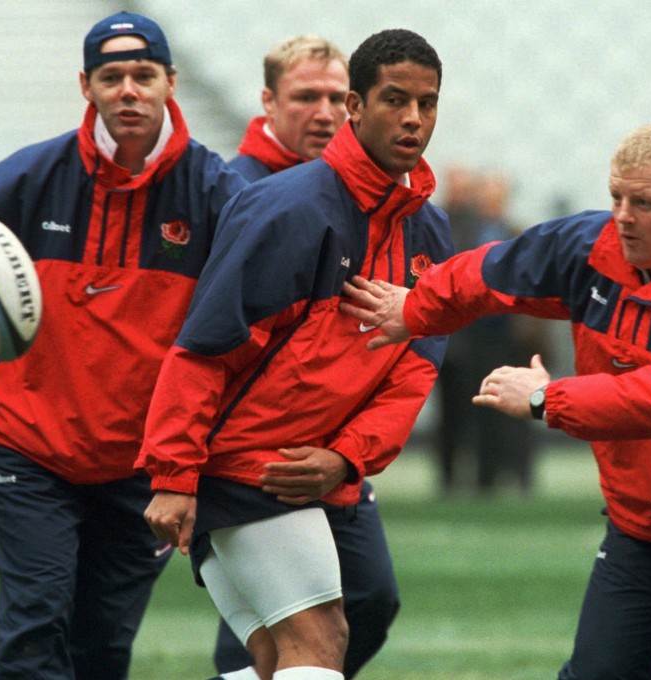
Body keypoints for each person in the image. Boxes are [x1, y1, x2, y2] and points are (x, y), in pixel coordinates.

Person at [341, 123, 651, 679]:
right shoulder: (594, 246)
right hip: (645, 529)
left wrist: (543, 398)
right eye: (616, 197)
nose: (623, 216)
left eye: (644, 202)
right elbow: (495, 271)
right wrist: (417, 308)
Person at [0, 12, 245, 679]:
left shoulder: (217, 195)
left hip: (139, 462)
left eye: (143, 75)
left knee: (102, 644)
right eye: (112, 76)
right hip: (26, 445)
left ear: (170, 83)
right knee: (34, 627)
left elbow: (258, 317)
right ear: (86, 85)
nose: (129, 90)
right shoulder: (26, 178)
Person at [137, 28, 450, 680]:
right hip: (252, 467)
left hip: (321, 470)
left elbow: (414, 369)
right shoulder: (290, 208)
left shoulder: (428, 227)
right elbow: (203, 350)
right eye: (396, 99)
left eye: (428, 102)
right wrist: (174, 474)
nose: (414, 118)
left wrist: (346, 457)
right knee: (322, 639)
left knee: (279, 655)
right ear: (357, 108)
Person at [212, 35, 400, 680]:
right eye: (304, 97)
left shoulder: (363, 196)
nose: (323, 112)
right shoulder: (231, 189)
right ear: (267, 101)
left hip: (333, 439)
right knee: (281, 632)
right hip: (251, 447)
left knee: (369, 598)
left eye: (332, 97)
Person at [434, 168, 541, 494]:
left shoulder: (518, 233)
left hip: (510, 337)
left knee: (520, 410)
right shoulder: (467, 235)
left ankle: (519, 477)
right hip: (473, 338)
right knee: (475, 410)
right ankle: (480, 479)